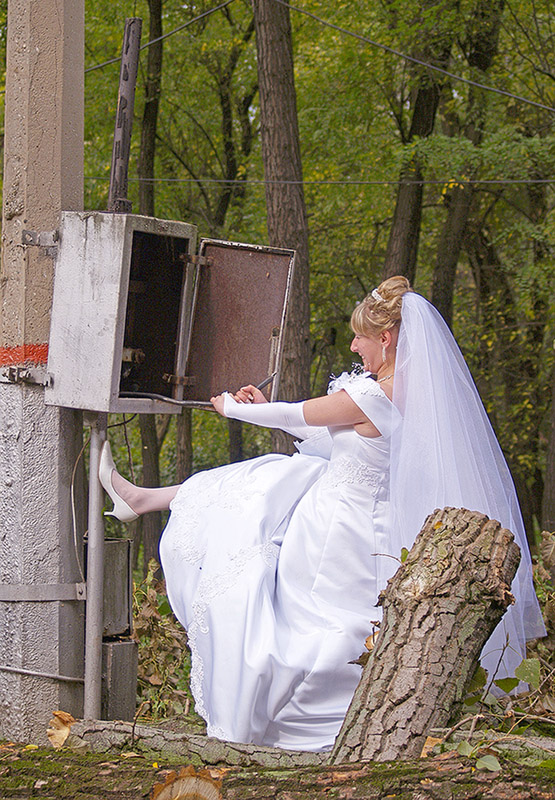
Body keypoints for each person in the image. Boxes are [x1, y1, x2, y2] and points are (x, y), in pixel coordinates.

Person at [99, 275, 545, 752]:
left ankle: (298, 722)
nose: (354, 346)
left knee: (312, 625)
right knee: (266, 481)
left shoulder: (375, 394)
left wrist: (235, 410)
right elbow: (337, 445)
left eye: (361, 337)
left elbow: (298, 416)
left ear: (387, 338)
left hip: (339, 528)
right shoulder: (411, 395)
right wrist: (266, 407)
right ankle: (143, 499)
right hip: (353, 514)